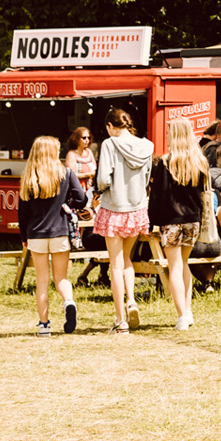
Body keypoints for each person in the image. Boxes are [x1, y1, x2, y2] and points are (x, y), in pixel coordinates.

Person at [17, 134, 88, 335]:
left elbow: (22, 213)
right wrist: (68, 205)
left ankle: (44, 326)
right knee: (61, 277)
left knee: (42, 281)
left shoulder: (29, 178)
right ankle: (69, 302)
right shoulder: (66, 174)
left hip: (36, 234)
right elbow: (81, 199)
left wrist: (24, 237)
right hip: (60, 232)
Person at [93, 107, 155, 333]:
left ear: (111, 126)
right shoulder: (146, 146)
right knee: (127, 260)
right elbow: (147, 176)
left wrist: (102, 188)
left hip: (114, 207)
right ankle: (132, 301)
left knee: (116, 265)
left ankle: (121, 320)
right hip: (137, 208)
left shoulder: (109, 144)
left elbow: (102, 179)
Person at [149, 118, 208, 330]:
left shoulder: (165, 162)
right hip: (193, 218)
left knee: (173, 267)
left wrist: (152, 221)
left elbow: (158, 196)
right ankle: (188, 310)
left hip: (171, 220)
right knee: (184, 264)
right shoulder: (198, 161)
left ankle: (182, 315)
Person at [63, 127, 97, 197]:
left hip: (91, 189)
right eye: (84, 138)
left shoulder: (89, 152)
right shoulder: (71, 154)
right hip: (78, 190)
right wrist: (89, 174)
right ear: (77, 139)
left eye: (88, 138)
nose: (87, 140)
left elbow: (95, 169)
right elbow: (72, 175)